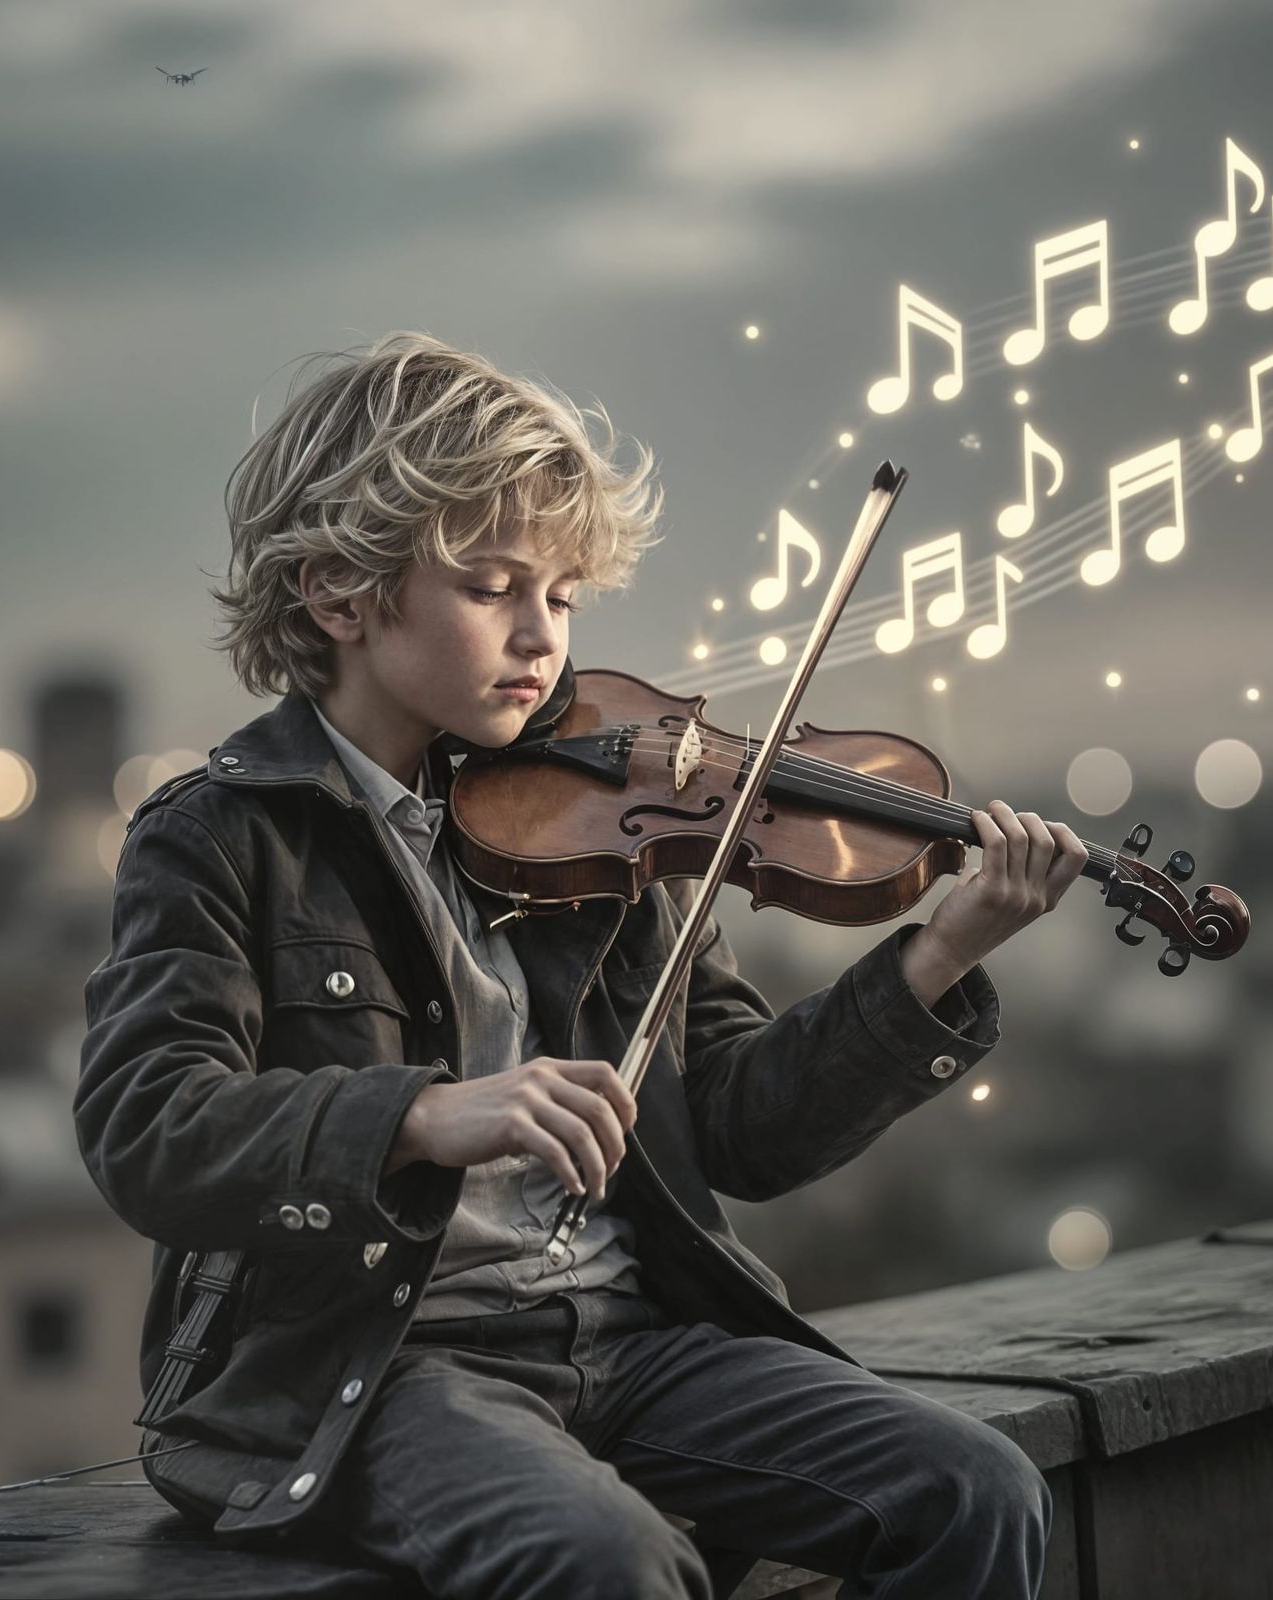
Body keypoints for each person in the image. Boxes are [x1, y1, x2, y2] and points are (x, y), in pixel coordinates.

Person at [75, 330, 1089, 1599]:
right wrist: (425, 1116)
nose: (541, 636)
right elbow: (146, 1127)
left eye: (560, 595)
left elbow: (738, 1130)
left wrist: (940, 952)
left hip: (632, 1337)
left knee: (973, 1488)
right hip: (379, 1367)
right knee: (604, 1559)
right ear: (340, 593)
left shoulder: (604, 824)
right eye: (495, 586)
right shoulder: (220, 835)